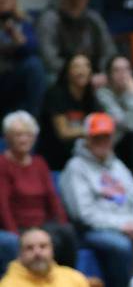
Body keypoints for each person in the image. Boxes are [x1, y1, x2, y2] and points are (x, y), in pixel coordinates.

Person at [60, 112, 133, 287]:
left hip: (130, 226)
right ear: (87, 138)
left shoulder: (117, 165)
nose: (102, 142)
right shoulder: (76, 167)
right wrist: (121, 226)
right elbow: (83, 214)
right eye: (97, 137)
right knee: (120, 245)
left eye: (106, 137)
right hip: (93, 231)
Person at [0, 111, 77, 273]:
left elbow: (52, 198)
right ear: (7, 138)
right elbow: (3, 204)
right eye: (18, 135)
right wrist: (16, 234)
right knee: (45, 242)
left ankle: (68, 278)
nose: (24, 139)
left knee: (67, 232)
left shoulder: (39, 163)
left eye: (28, 134)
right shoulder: (3, 164)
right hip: (17, 226)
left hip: (43, 224)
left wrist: (61, 222)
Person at [36, 0, 117, 83]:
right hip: (62, 74)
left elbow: (109, 50)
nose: (74, 1)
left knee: (119, 74)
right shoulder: (49, 19)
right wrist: (79, 73)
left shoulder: (94, 19)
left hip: (94, 74)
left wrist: (101, 72)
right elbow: (48, 58)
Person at [37, 54, 100, 171]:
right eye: (76, 66)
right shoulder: (55, 94)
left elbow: (101, 123)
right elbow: (64, 132)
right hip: (56, 159)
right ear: (67, 72)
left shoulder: (91, 97)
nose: (82, 71)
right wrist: (92, 130)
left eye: (86, 66)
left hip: (83, 157)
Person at [96, 55, 133, 181]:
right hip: (114, 143)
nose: (123, 74)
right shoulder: (103, 94)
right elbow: (123, 121)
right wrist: (132, 95)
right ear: (109, 74)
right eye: (117, 70)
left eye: (126, 69)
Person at [0, 0, 46, 119]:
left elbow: (33, 48)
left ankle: (30, 123)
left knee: (34, 65)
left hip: (14, 77)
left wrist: (14, 32)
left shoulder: (25, 21)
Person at [0, 228, 89, 287]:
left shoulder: (74, 278)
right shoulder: (8, 284)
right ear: (20, 254)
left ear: (52, 249)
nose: (37, 252)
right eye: (29, 248)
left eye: (43, 246)